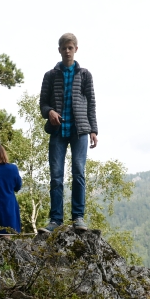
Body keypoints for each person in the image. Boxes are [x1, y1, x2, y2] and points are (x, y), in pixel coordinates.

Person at [39, 32, 98, 233]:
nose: (67, 51)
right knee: (56, 176)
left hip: (80, 130)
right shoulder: (50, 75)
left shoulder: (85, 75)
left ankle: (78, 218)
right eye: (64, 48)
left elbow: (91, 103)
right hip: (57, 132)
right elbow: (43, 104)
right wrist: (50, 112)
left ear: (76, 49)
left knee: (79, 173)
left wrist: (94, 130)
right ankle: (55, 220)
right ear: (59, 50)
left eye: (70, 47)